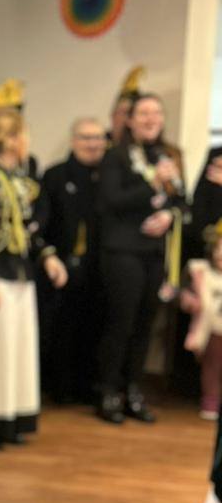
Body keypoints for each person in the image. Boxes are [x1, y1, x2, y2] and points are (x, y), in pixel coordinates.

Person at [0, 109, 67, 445]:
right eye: (23, 135)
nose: (27, 142)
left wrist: (47, 256)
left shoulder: (19, 180)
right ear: (9, 139)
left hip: (19, 273)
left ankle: (11, 418)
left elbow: (26, 229)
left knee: (15, 350)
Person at [96, 91, 185, 424]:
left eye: (156, 113)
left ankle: (133, 390)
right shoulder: (115, 157)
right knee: (122, 321)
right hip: (123, 249)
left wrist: (170, 215)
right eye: (143, 113)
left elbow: (182, 199)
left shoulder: (167, 156)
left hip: (155, 252)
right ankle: (108, 391)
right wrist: (152, 184)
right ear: (130, 120)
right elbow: (111, 201)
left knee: (145, 324)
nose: (150, 119)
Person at [39, 117, 107, 404]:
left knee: (94, 326)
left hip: (100, 265)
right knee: (61, 327)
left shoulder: (109, 176)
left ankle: (86, 386)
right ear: (73, 141)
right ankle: (59, 387)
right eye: (86, 138)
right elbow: (43, 220)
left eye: (98, 138)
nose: (92, 144)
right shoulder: (55, 175)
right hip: (63, 264)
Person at [183, 225, 222, 420]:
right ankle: (210, 403)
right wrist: (190, 301)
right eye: (219, 249)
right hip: (212, 329)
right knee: (212, 367)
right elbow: (183, 294)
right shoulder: (202, 273)